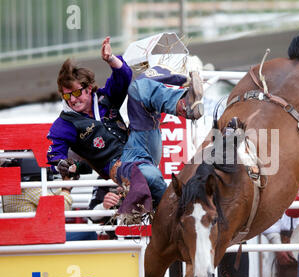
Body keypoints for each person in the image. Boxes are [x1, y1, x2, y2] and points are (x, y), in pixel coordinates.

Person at [46, 36, 204, 219]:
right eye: (66, 96)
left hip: (140, 140)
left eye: (75, 92)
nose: (72, 100)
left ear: (88, 88)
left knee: (138, 88)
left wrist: (111, 59)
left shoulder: (104, 99)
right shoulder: (64, 123)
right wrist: (62, 165)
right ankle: (174, 218)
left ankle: (185, 104)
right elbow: (55, 155)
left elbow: (124, 76)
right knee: (150, 175)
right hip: (118, 164)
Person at [1, 157, 97, 241]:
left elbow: (49, 198)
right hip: (37, 238)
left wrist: (65, 183)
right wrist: (66, 188)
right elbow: (61, 209)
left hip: (22, 236)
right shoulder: (28, 188)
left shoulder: (15, 188)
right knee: (90, 233)